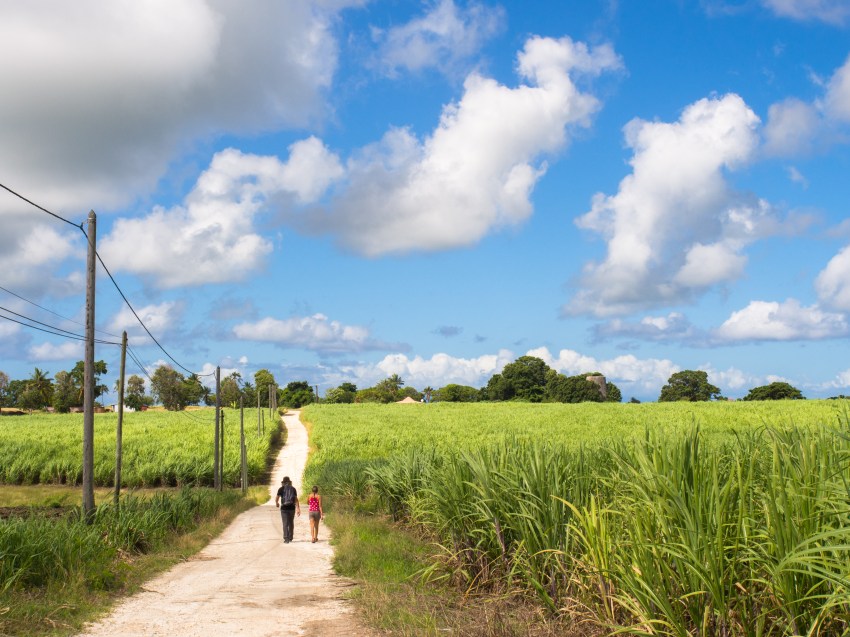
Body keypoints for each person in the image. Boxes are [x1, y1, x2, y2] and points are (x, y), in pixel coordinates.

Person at [275, 476, 300, 543]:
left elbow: (277, 498)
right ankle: (291, 537)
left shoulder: (281, 489)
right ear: (289, 482)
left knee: (285, 523)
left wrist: (277, 503)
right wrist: (298, 509)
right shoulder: (293, 489)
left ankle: (286, 538)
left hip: (284, 508)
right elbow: (296, 500)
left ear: (283, 482)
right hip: (292, 508)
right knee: (291, 523)